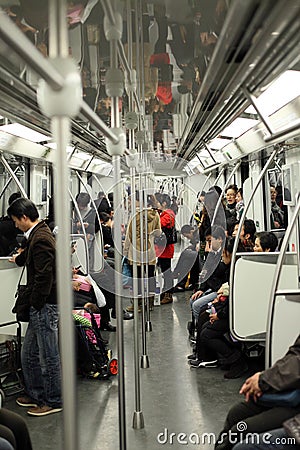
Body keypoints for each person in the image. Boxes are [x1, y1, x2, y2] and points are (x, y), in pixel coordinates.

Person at [7, 198, 62, 417]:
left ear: (24, 218)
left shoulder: (41, 239)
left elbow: (44, 275)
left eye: (15, 221)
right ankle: (36, 393)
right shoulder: (39, 233)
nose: (15, 226)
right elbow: (30, 256)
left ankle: (53, 399)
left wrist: (36, 302)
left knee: (47, 355)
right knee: (29, 353)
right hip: (41, 304)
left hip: (45, 304)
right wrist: (18, 260)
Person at [215, 334, 300, 450]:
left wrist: (264, 380)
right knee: (236, 413)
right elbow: (295, 354)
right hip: (294, 392)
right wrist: (266, 380)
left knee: (242, 434)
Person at [124, 193, 161, 312]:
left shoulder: (135, 215)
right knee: (150, 276)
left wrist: (125, 251)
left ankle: (138, 305)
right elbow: (159, 232)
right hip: (149, 251)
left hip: (136, 252)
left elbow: (129, 235)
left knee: (137, 278)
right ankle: (150, 303)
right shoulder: (155, 215)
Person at [155, 193, 176, 304]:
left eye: (158, 202)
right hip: (162, 248)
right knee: (164, 271)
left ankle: (168, 294)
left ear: (163, 203)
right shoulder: (163, 213)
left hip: (166, 249)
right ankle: (166, 291)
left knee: (166, 272)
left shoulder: (168, 214)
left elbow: (159, 224)